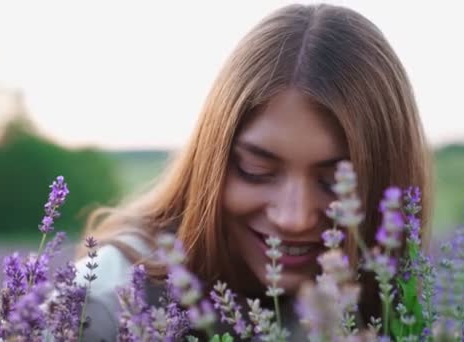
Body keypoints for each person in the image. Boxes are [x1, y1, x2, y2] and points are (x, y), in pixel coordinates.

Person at [74, 3, 433, 340]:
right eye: (256, 170)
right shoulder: (105, 303)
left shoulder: (404, 305)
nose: (293, 218)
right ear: (210, 162)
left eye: (333, 183)